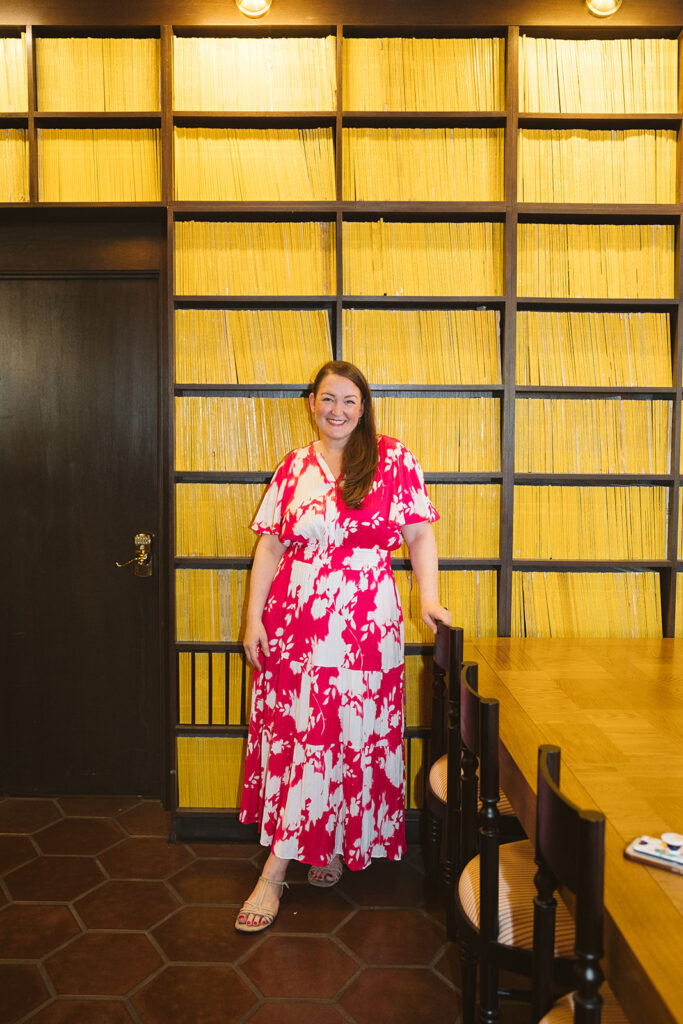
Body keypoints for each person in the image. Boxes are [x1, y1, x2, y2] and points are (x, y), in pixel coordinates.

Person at [235, 360, 451, 932]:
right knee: (303, 735)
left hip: (364, 624)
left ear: (364, 407)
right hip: (296, 624)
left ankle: (322, 843)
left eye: (349, 401)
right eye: (328, 399)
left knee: (345, 734)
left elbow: (420, 534)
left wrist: (430, 600)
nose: (337, 410)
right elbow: (270, 548)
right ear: (312, 403)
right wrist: (252, 619)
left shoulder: (393, 458)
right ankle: (276, 871)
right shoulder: (293, 468)